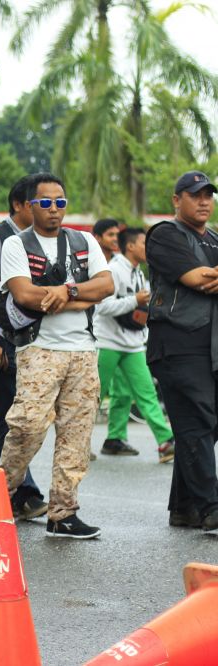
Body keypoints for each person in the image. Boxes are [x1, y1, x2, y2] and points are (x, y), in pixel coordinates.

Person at [0, 173, 114, 539]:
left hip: (83, 352)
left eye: (60, 202)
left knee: (76, 437)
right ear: (30, 205)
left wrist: (66, 291)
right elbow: (25, 296)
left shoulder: (85, 241)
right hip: (39, 350)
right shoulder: (16, 245)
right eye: (45, 202)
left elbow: (107, 286)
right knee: (27, 426)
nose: (54, 209)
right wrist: (82, 296)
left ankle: (62, 513)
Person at [0, 175, 49, 518]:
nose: (47, 209)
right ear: (20, 205)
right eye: (40, 203)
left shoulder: (36, 241)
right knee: (10, 419)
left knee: (22, 419)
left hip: (27, 343)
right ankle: (14, 493)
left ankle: (15, 490)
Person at [145, 171, 218, 532]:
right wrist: (207, 276)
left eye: (208, 195)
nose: (204, 201)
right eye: (195, 195)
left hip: (210, 348)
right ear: (177, 200)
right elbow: (198, 279)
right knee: (197, 421)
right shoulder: (165, 235)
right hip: (177, 345)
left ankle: (185, 506)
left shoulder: (215, 239)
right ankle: (211, 507)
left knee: (205, 425)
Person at [93, 227, 174, 460]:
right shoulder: (113, 270)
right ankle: (77, 441)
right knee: (94, 396)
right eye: (144, 244)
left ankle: (159, 441)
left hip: (133, 344)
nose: (149, 250)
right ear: (130, 247)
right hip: (107, 342)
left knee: (139, 393)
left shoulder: (140, 273)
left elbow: (142, 309)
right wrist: (134, 300)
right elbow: (103, 307)